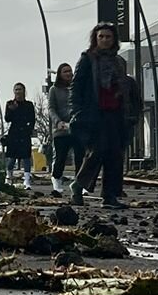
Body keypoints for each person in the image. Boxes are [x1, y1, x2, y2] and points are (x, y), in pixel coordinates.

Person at [70, 23, 138, 208]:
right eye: (101, 37)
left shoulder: (119, 62)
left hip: (116, 114)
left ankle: (110, 196)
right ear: (95, 39)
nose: (105, 40)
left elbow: (125, 88)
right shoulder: (87, 59)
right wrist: (77, 112)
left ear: (114, 39)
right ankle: (78, 186)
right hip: (94, 114)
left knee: (115, 156)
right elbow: (76, 88)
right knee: (97, 152)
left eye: (108, 37)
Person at [47, 63, 80, 193]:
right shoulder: (54, 90)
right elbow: (51, 108)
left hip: (76, 126)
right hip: (60, 129)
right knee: (61, 156)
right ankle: (56, 179)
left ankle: (79, 182)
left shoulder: (76, 88)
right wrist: (57, 121)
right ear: (60, 74)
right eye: (65, 71)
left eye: (70, 71)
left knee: (79, 156)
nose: (68, 74)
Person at [1, 83, 36, 189]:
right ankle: (8, 177)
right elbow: (7, 119)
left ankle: (27, 180)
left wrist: (29, 130)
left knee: (26, 157)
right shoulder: (10, 103)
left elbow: (32, 119)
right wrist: (12, 109)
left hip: (24, 132)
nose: (18, 92)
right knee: (11, 158)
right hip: (14, 133)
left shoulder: (29, 104)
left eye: (20, 89)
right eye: (16, 89)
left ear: (24, 91)